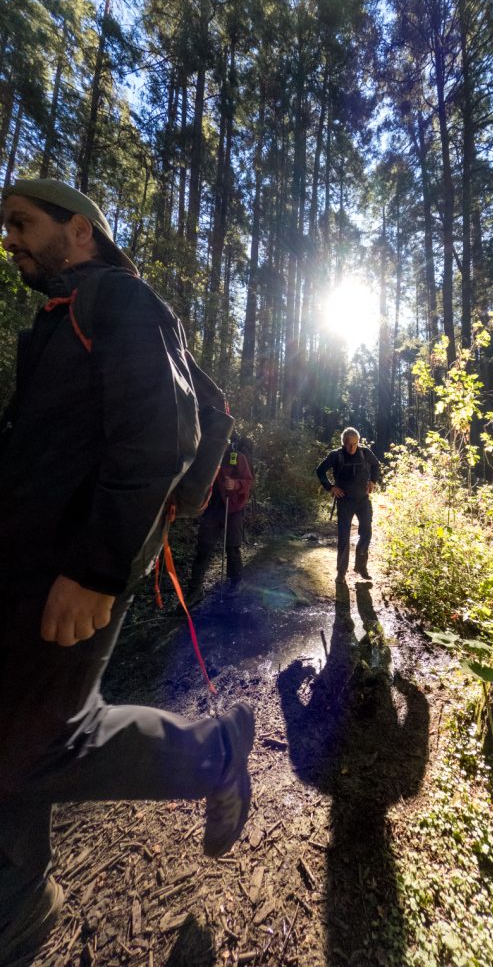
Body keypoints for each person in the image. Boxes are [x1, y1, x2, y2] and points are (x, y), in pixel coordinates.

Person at [0, 179, 254, 964]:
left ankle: (215, 752)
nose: (8, 239)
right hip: (22, 564)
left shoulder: (121, 302)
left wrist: (101, 569)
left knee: (45, 744)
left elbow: (165, 431)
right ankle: (16, 901)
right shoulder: (52, 323)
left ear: (79, 232)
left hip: (74, 573)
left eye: (21, 223)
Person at [187, 435, 254, 604]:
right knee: (204, 547)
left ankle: (236, 582)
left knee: (232, 546)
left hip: (234, 507)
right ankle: (194, 590)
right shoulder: (206, 456)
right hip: (212, 507)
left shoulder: (237, 457)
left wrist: (235, 484)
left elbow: (248, 480)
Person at [316, 427, 381, 584]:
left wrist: (373, 481)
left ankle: (361, 567)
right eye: (347, 444)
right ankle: (341, 572)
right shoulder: (336, 455)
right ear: (343, 443)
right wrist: (331, 488)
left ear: (358, 442)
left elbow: (376, 466)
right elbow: (320, 471)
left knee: (366, 532)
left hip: (363, 501)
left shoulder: (365, 452)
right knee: (344, 536)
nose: (351, 447)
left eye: (354, 444)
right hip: (345, 501)